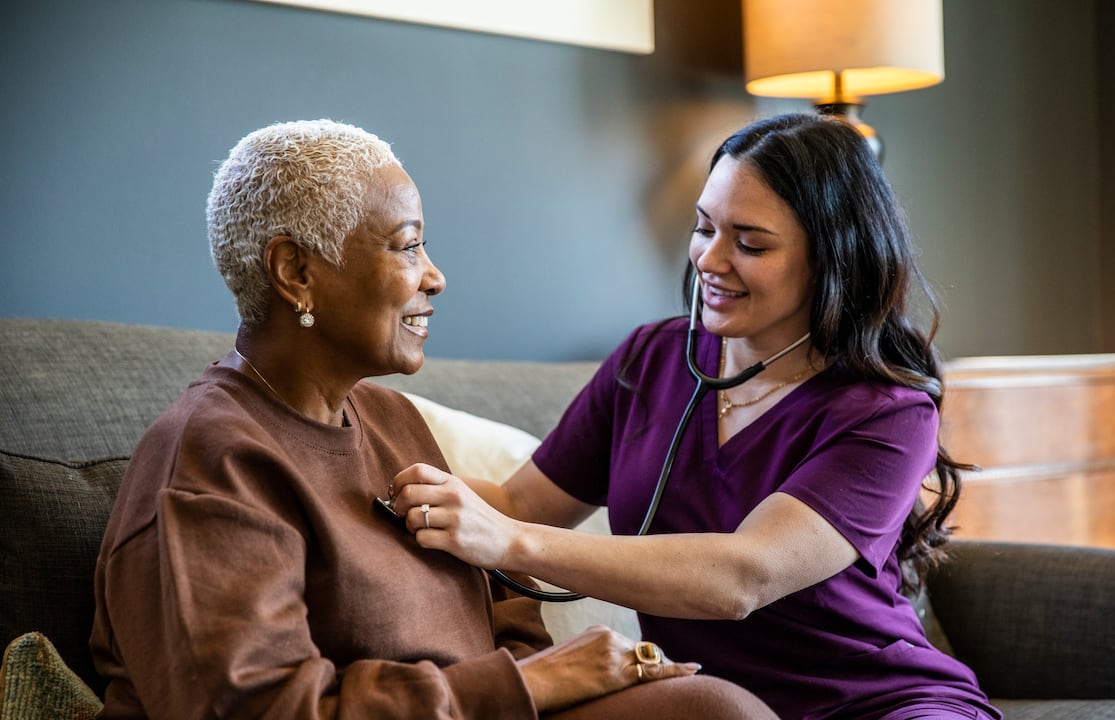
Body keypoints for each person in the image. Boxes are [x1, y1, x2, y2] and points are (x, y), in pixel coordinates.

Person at [89, 119, 779, 720]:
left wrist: (544, 678)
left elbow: (502, 611)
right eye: (406, 245)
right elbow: (256, 708)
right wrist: (529, 683)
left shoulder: (388, 418)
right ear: (296, 272)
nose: (434, 276)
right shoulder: (211, 459)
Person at [388, 113, 1002, 720]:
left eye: (750, 243)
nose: (710, 260)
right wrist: (362, 478)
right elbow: (519, 503)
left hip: (879, 703)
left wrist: (512, 542)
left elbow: (744, 578)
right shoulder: (650, 360)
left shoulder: (887, 413)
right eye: (704, 228)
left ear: (833, 256)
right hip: (710, 705)